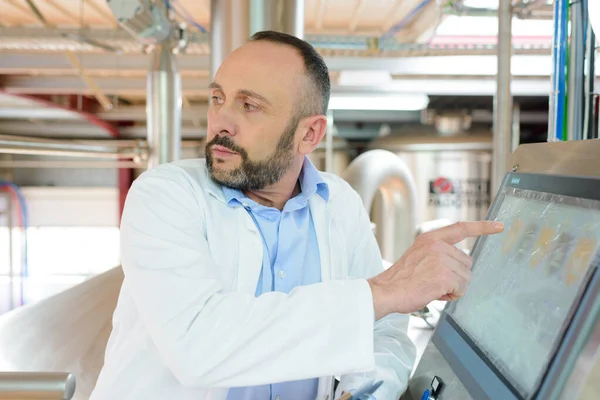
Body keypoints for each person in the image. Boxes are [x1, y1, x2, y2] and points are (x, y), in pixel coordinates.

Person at [90, 31, 503, 400]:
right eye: (218, 99)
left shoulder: (339, 204)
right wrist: (383, 291)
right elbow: (198, 345)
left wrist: (366, 391)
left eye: (249, 105)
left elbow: (384, 332)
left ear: (310, 134)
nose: (222, 122)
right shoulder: (165, 195)